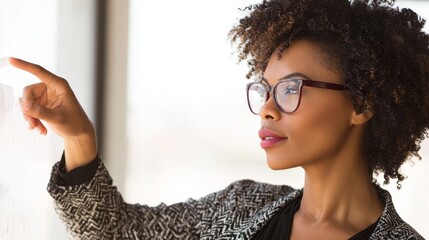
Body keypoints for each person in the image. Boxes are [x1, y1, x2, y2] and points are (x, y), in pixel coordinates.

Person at [8, 0, 428, 239]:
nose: (267, 107)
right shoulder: (241, 205)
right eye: (265, 88)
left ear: (361, 105)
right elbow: (117, 231)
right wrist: (79, 137)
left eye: (291, 89)